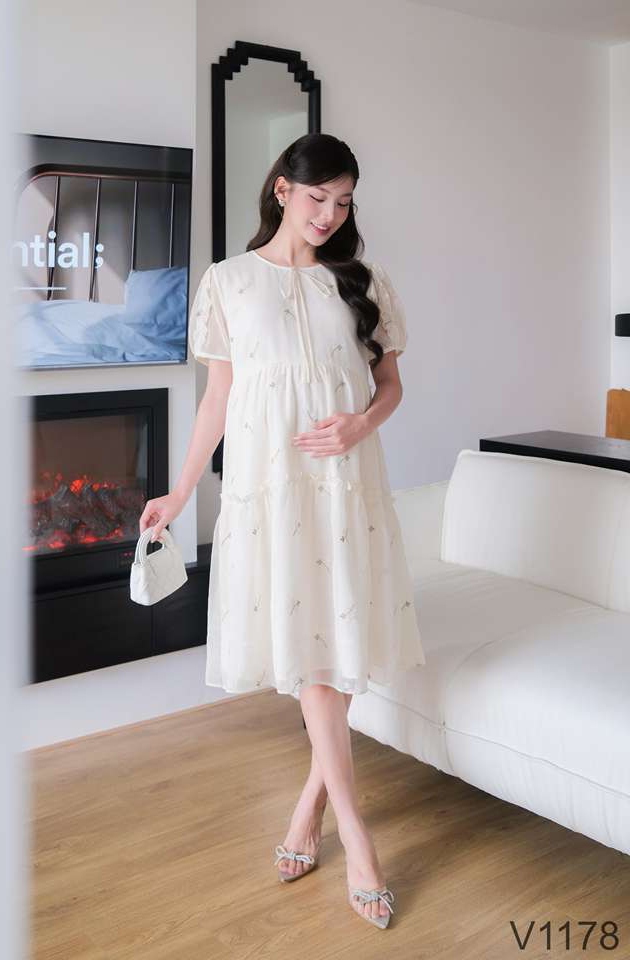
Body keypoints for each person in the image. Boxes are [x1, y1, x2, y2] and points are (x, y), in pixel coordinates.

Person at [139, 132, 426, 930]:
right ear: (281, 190)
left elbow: (391, 384)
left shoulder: (362, 281)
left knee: (333, 651)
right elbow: (218, 399)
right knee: (313, 656)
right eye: (317, 198)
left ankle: (315, 814)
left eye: (344, 201)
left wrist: (360, 424)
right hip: (270, 489)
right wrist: (180, 490)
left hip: (345, 485)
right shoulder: (229, 282)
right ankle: (355, 836)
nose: (329, 214)